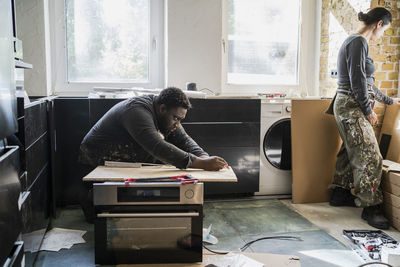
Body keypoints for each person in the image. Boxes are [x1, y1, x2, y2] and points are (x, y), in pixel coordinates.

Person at [79, 87, 228, 222]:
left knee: (169, 168)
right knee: (103, 214)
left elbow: (185, 140)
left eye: (180, 120)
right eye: (175, 118)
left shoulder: (163, 109)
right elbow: (157, 147)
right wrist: (201, 164)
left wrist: (204, 157)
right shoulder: (136, 111)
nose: (177, 124)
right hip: (97, 160)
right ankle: (93, 198)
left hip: (125, 156)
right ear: (162, 109)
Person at [327, 7, 400, 229]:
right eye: (385, 29)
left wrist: (390, 101)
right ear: (379, 24)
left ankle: (339, 194)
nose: (383, 34)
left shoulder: (357, 42)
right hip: (352, 105)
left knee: (351, 149)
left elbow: (368, 83)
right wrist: (368, 111)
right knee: (370, 153)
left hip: (348, 103)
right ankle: (370, 207)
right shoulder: (358, 42)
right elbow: (358, 81)